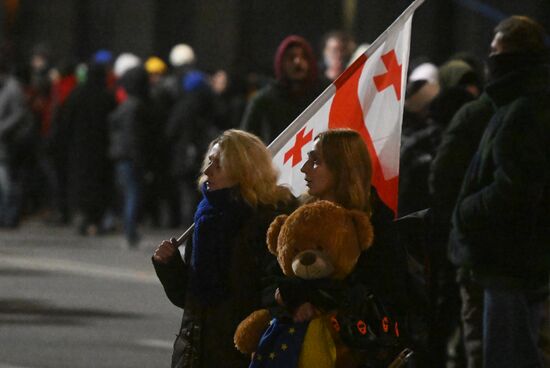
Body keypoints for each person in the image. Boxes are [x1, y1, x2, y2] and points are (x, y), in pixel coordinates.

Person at [449, 15, 550, 368]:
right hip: (512, 261)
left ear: (511, 56)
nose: (489, 58)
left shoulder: (526, 109)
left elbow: (517, 187)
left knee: (508, 356)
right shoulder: (518, 103)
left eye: (495, 51)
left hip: (510, 262)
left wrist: (467, 210)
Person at [152, 129, 295, 368]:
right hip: (196, 354)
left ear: (243, 171)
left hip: (239, 355)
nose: (207, 171)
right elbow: (192, 299)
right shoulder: (206, 218)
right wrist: (170, 266)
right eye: (209, 162)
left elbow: (273, 296)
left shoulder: (266, 223)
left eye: (218, 165)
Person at [276, 129, 412, 366]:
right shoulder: (301, 218)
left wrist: (311, 294)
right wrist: (292, 297)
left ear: (342, 168)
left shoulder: (377, 227)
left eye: (315, 161)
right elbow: (272, 277)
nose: (304, 169)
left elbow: (385, 291)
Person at [240, 35, 321, 145]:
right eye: (291, 58)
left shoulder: (322, 96)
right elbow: (245, 142)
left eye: (303, 57)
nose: (297, 62)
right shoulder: (263, 101)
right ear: (281, 63)